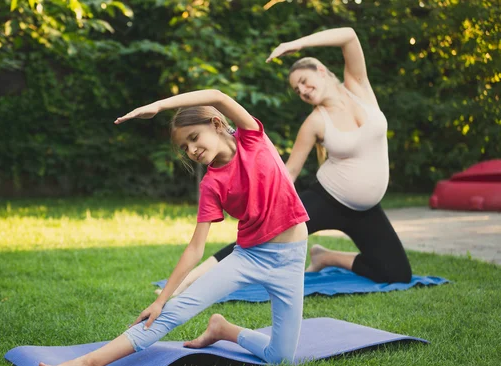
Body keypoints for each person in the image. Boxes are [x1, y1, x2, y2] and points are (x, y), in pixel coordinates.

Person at [39, 88, 310, 366]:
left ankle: (222, 330)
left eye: (194, 138)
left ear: (216, 125)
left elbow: (217, 95)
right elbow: (196, 247)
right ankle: (89, 364)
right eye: (185, 147)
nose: (191, 150)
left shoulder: (252, 137)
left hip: (292, 258)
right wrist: (161, 299)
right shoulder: (211, 184)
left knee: (281, 357)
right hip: (250, 257)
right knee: (172, 312)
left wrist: (157, 106)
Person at [159, 27, 411, 300]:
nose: (301, 90)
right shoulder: (314, 122)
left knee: (397, 273)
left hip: (367, 208)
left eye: (303, 80)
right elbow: (287, 171)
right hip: (328, 198)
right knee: (256, 241)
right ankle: (190, 281)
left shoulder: (359, 88)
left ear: (321, 70)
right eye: (296, 88)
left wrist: (295, 44)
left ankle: (327, 256)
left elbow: (350, 35)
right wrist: (263, 203)